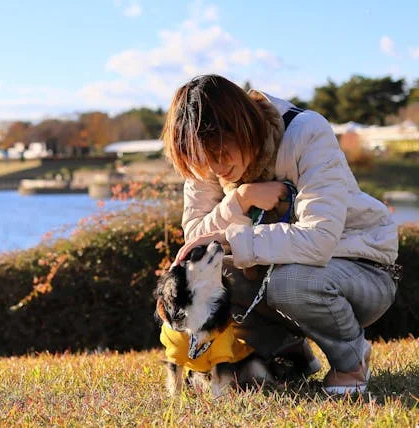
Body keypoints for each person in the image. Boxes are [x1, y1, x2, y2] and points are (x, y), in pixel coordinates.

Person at [161, 74, 399, 394]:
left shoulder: (306, 132)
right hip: (282, 276)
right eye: (201, 160)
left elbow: (319, 240)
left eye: (220, 153)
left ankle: (351, 361)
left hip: (360, 269)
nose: (215, 169)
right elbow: (196, 240)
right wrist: (240, 200)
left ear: (241, 125)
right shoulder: (204, 157)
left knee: (290, 282)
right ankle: (288, 354)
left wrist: (232, 240)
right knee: (201, 277)